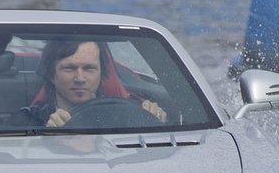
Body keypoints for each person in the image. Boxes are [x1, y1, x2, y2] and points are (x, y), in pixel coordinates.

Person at [16, 39, 167, 128]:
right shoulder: (27, 121)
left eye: (89, 69)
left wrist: (156, 121)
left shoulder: (129, 114)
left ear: (102, 74)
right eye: (69, 68)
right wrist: (47, 137)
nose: (80, 78)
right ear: (50, 74)